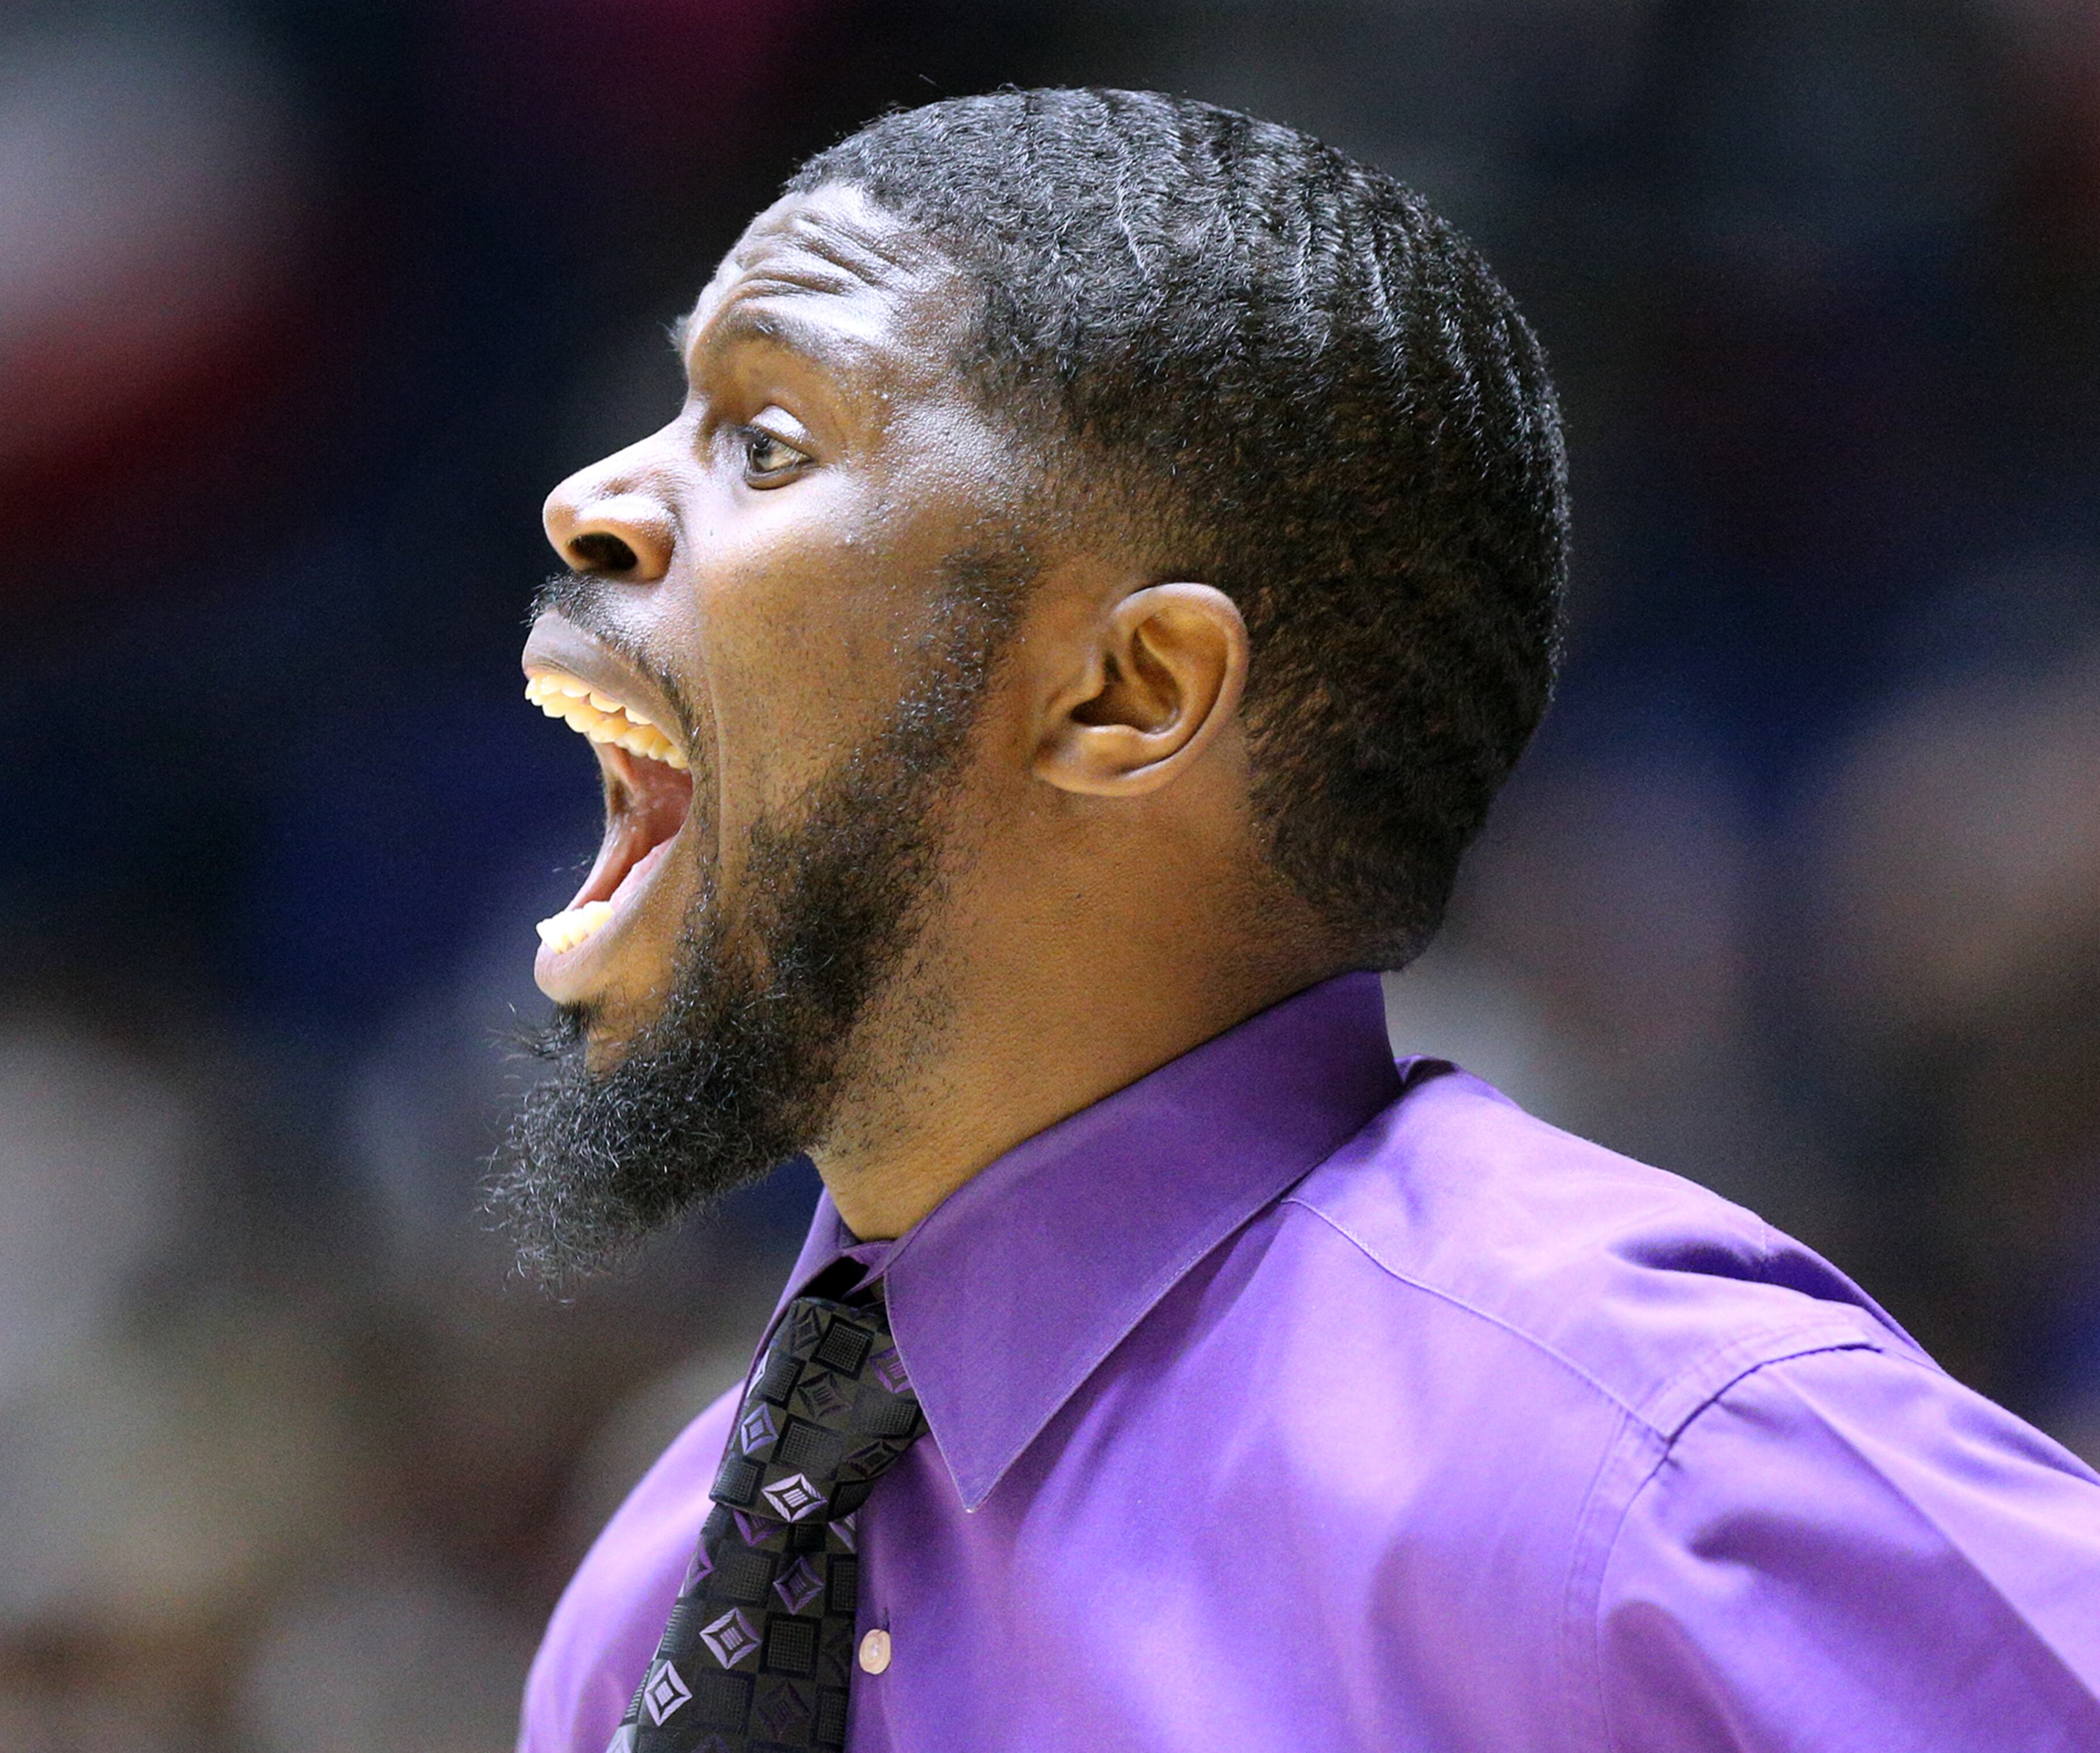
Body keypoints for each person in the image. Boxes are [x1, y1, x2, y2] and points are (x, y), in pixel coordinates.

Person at [496, 88, 2100, 1753]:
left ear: (1127, 693)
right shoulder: (652, 1623)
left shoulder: (1637, 1476)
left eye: (764, 440)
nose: (590, 499)